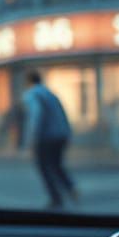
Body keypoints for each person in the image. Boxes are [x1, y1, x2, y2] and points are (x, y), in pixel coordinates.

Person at [22, 71, 78, 209]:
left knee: (44, 167)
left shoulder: (32, 94)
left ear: (29, 81)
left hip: (46, 137)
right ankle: (71, 188)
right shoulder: (50, 93)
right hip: (60, 135)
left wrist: (31, 137)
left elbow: (36, 115)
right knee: (56, 164)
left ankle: (56, 198)